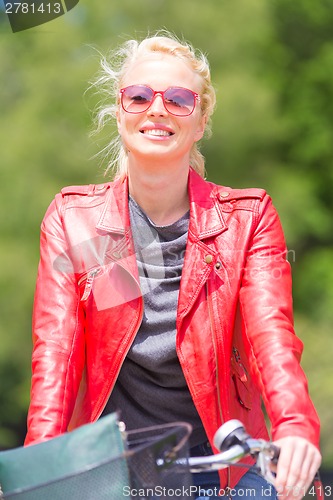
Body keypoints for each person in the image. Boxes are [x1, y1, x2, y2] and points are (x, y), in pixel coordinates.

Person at [25, 32, 321, 499]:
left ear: (201, 121)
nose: (157, 109)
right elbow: (55, 357)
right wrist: (39, 470)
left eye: (179, 99)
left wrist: (295, 427)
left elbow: (273, 340)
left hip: (222, 469)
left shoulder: (248, 220)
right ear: (121, 112)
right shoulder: (76, 221)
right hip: (109, 474)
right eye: (139, 96)